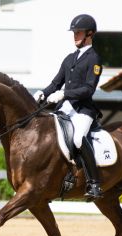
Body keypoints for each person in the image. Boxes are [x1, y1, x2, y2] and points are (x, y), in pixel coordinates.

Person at [33, 14, 103, 199]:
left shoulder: (94, 58)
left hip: (83, 110)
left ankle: (94, 183)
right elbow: (56, 83)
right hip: (66, 108)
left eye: (79, 32)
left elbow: (88, 89)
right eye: (74, 32)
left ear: (90, 34)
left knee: (78, 139)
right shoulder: (69, 58)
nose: (75, 36)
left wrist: (65, 94)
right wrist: (43, 92)